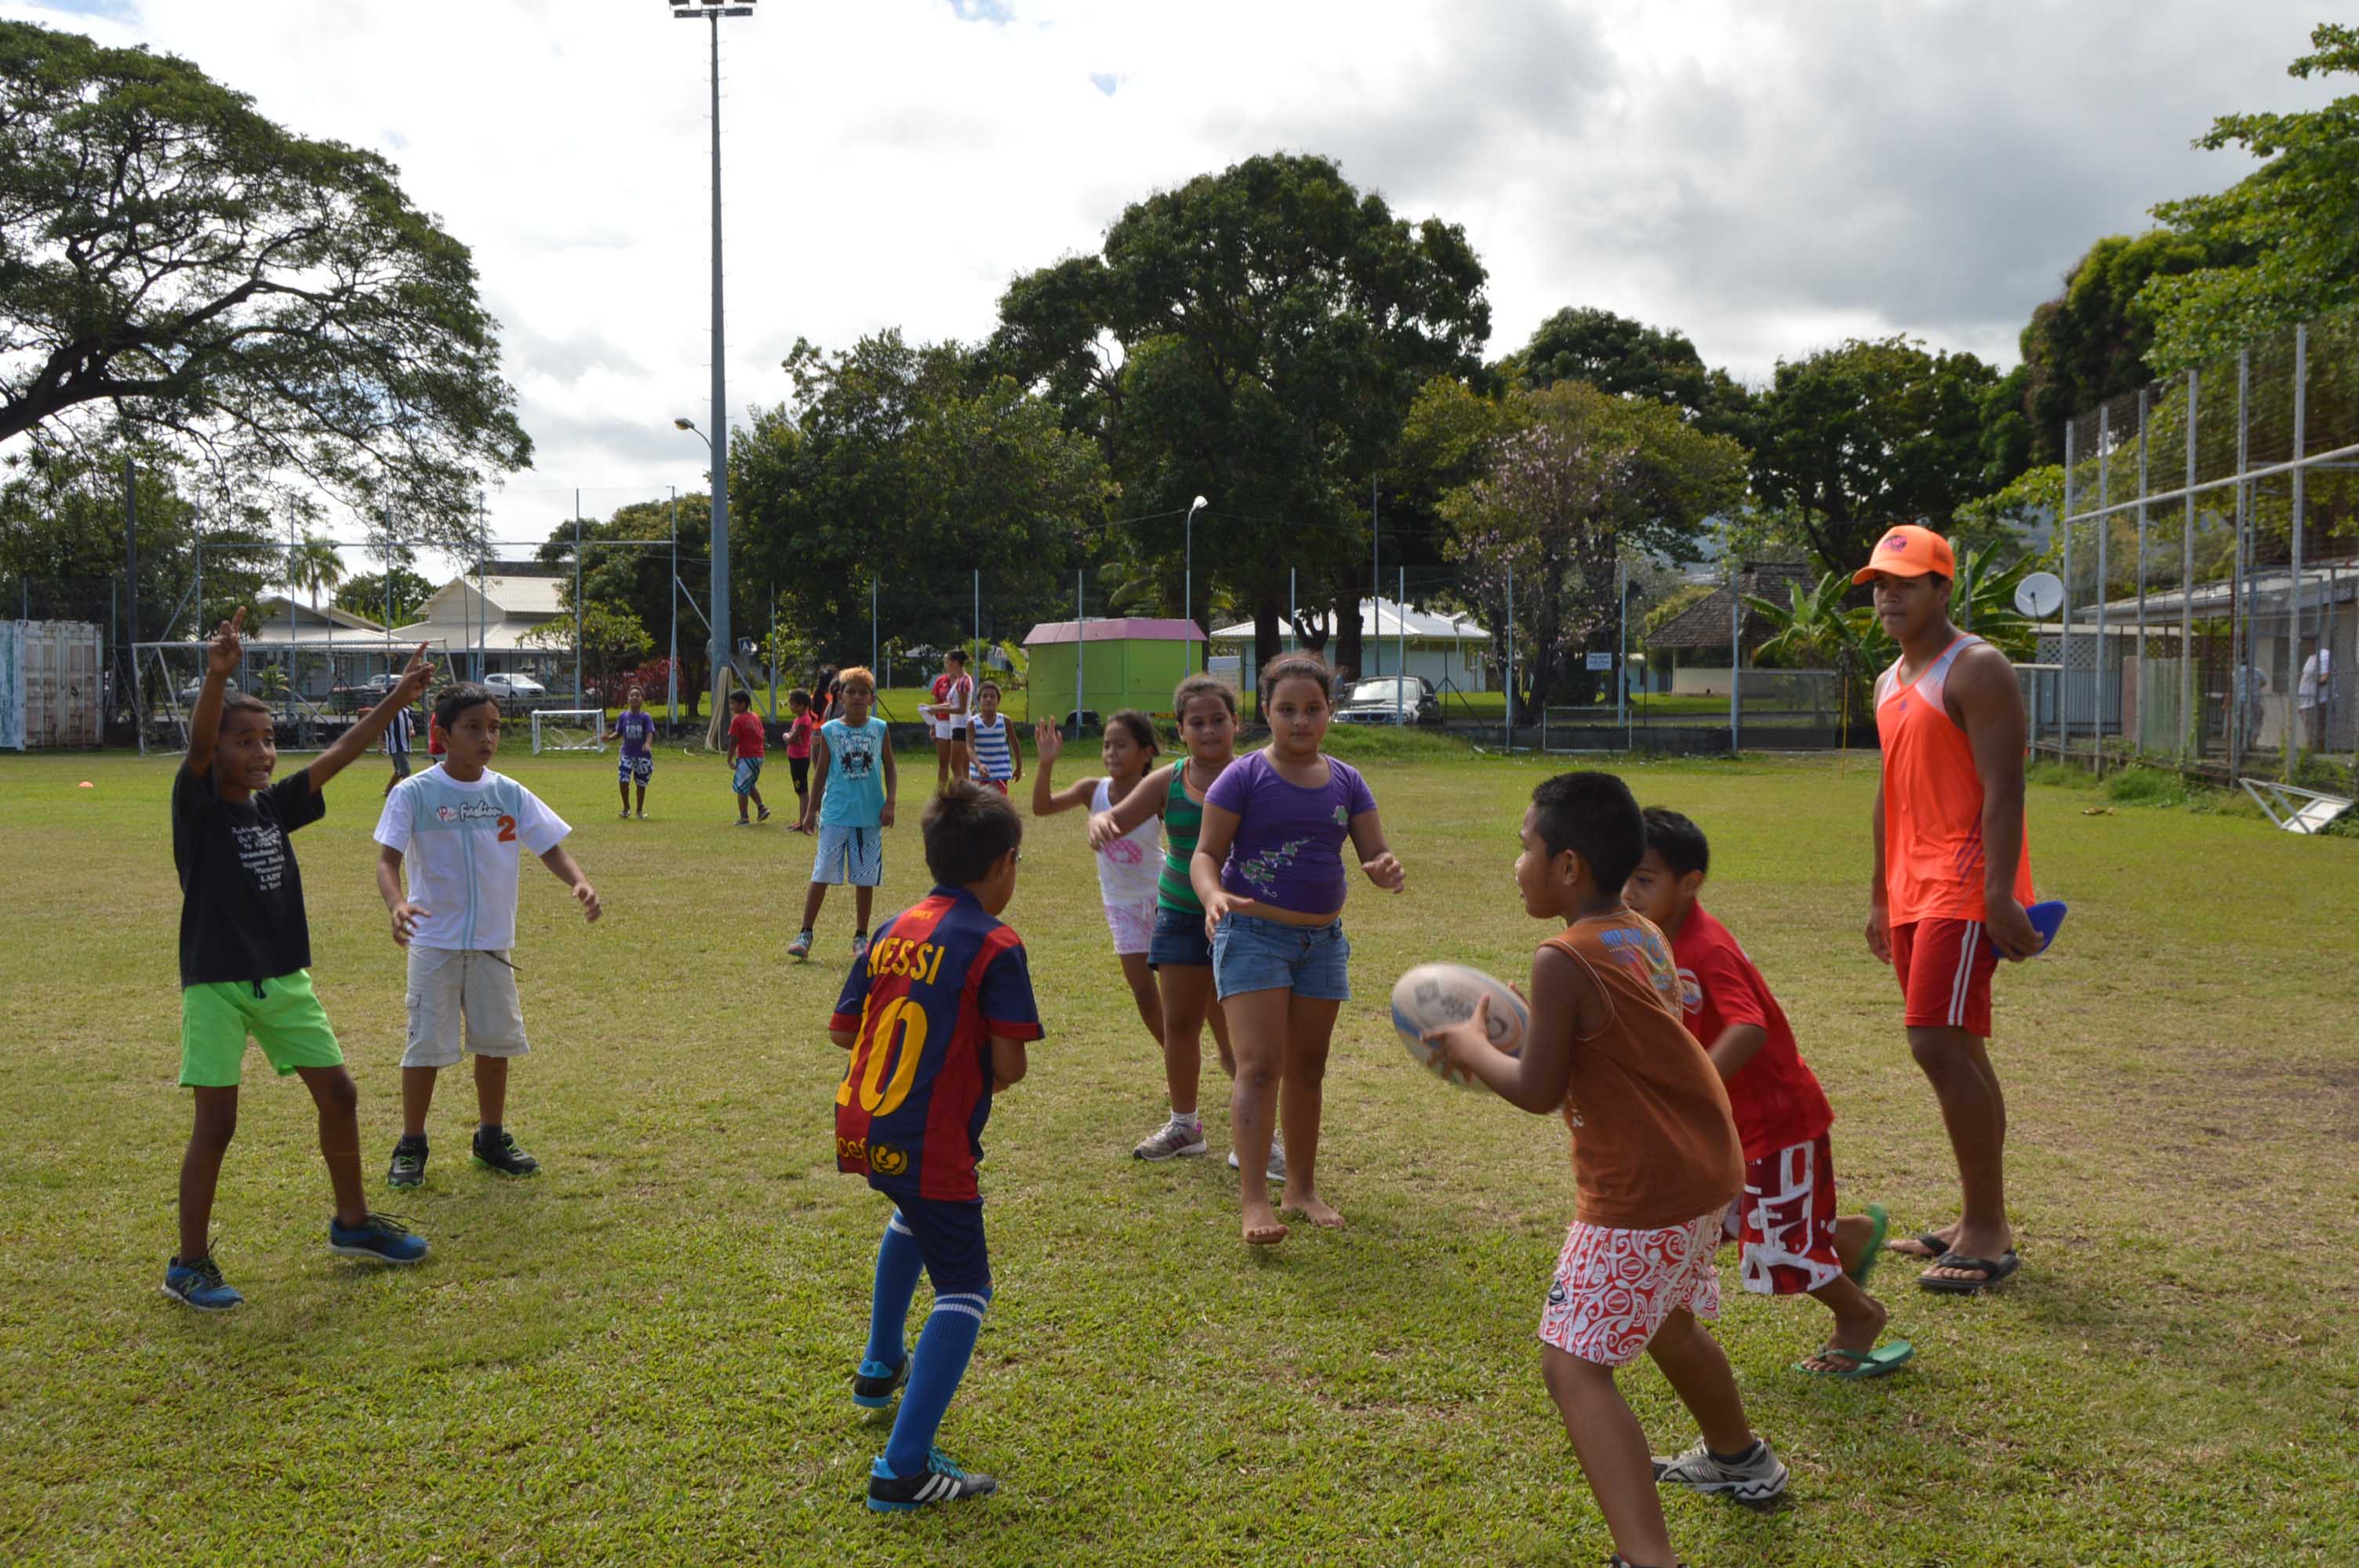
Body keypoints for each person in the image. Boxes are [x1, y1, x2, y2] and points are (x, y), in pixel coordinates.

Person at [1425, 771, 1786, 1568]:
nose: (1515, 861)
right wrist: (1530, 1028)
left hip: (1641, 1189)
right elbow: (1614, 1042)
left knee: (1572, 1364)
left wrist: (1471, 1046)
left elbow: (1537, 1090)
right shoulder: (1636, 928)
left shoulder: (1561, 955)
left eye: (1524, 846)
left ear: (1567, 866)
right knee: (1664, 1320)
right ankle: (1740, 1459)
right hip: (1699, 1167)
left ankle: (1645, 1555)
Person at [164, 608, 433, 1312]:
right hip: (217, 984)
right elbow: (196, 746)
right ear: (216, 753)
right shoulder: (197, 806)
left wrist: (397, 701)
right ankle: (188, 1264)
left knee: (339, 1094)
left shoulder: (270, 808)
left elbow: (340, 752)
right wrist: (217, 679)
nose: (262, 753)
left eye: (268, 740)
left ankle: (353, 1224)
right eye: (244, 741)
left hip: (282, 978)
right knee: (216, 1124)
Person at [1626, 807, 1910, 1380]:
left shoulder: (1707, 948)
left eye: (1645, 880)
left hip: (1775, 1122)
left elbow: (1749, 1027)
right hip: (1731, 1123)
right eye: (1624, 877)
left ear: (1689, 884)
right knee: (1738, 1222)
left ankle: (1860, 1317)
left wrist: (1692, 1084)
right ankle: (1846, 1239)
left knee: (1777, 1250)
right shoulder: (1653, 942)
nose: (1630, 892)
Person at [834, 782, 1041, 1513]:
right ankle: (902, 1470)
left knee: (908, 1220)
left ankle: (879, 1364)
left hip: (867, 1126)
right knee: (965, 1290)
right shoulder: (995, 942)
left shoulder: (893, 925)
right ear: (1005, 864)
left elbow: (843, 1028)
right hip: (932, 1138)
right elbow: (1010, 1067)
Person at [1859, 524, 2041, 1295]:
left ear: (1942, 587)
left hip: (1963, 885)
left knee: (1934, 1041)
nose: (1887, 594)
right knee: (1957, 1045)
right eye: (1878, 582)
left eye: (1904, 581)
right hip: (1909, 886)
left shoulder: (1976, 667)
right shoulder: (1887, 679)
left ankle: (1990, 1229)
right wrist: (1877, 892)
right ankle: (1973, 1217)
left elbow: (2005, 788)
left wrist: (1998, 892)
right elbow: (1888, 792)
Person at [1193, 652, 1403, 1245]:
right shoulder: (1244, 777)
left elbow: (1372, 853)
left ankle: (1301, 1187)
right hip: (1253, 934)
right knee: (1260, 1069)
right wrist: (1212, 896)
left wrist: (1384, 868)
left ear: (1330, 711)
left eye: (1313, 709)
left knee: (1308, 1071)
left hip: (1323, 942)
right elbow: (1206, 854)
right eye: (1287, 710)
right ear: (1267, 713)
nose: (1301, 721)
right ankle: (1255, 1199)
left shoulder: (1347, 779)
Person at [375, 682, 602, 1189]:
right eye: (473, 728)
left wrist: (580, 881)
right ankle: (412, 1142)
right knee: (426, 1046)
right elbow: (387, 860)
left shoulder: (507, 793)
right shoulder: (415, 793)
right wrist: (397, 904)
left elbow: (548, 846)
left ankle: (491, 1136)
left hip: (492, 943)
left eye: (494, 728)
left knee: (496, 1043)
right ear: (442, 734)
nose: (487, 738)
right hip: (434, 943)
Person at [1089, 676, 1245, 1169]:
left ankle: (1259, 1133)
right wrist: (1100, 823)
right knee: (1179, 1024)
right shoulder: (1170, 781)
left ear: (1235, 723)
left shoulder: (1254, 775)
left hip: (1240, 916)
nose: (1209, 730)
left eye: (1218, 719)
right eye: (1196, 722)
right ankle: (1185, 1126)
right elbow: (1116, 816)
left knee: (1243, 1032)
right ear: (1180, 731)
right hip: (1179, 912)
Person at [1034, 710, 1163, 1067]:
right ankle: (1177, 1059)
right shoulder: (1093, 791)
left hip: (1163, 901)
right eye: (1107, 745)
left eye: (1121, 745)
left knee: (1187, 992)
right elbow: (1042, 808)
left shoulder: (1157, 792)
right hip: (1121, 906)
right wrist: (1046, 764)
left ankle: (1209, 1052)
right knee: (1143, 995)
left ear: (1146, 752)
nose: (1111, 753)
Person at [792, 666, 896, 961]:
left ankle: (861, 937)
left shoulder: (879, 728)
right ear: (840, 696)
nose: (858, 697)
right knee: (822, 872)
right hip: (836, 813)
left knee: (864, 879)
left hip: (868, 815)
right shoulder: (830, 730)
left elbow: (889, 766)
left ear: (872, 698)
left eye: (864, 693)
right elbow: (821, 772)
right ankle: (805, 933)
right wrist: (810, 812)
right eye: (851, 692)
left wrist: (891, 802)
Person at [921, 648, 976, 791]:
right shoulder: (959, 680)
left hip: (962, 726)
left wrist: (938, 709)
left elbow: (962, 709)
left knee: (957, 767)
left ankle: (963, 797)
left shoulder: (964, 681)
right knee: (956, 766)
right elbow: (952, 704)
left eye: (947, 661)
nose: (946, 665)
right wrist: (933, 707)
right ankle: (962, 795)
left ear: (955, 663)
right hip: (957, 727)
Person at [603, 684, 657, 819]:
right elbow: (618, 732)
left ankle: (639, 810)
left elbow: (650, 732)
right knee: (623, 780)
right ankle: (626, 807)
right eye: (632, 695)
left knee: (641, 784)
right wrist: (609, 738)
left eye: (637, 695)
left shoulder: (646, 717)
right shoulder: (623, 716)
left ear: (642, 699)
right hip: (627, 754)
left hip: (642, 756)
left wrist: (647, 743)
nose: (634, 697)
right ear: (628, 699)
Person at [965, 679, 1020, 794]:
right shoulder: (972, 723)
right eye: (985, 696)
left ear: (998, 701)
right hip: (978, 774)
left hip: (1000, 774)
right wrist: (979, 766)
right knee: (978, 806)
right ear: (979, 701)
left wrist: (1019, 766)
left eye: (992, 696)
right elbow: (970, 748)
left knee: (998, 808)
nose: (988, 699)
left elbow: (1015, 743)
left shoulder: (1005, 721)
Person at [725, 688, 770, 826]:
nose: (732, 707)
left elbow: (733, 741)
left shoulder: (737, 720)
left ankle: (744, 817)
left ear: (743, 703)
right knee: (749, 784)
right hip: (759, 757)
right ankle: (762, 808)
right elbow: (761, 735)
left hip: (746, 757)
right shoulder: (755, 717)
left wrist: (729, 758)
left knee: (741, 787)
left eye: (734, 703)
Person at [785, 688, 819, 830]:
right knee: (800, 791)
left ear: (804, 705)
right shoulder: (798, 719)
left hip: (799, 758)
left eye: (794, 704)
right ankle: (803, 819)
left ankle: (805, 820)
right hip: (795, 758)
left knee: (802, 791)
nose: (791, 707)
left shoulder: (804, 721)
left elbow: (791, 738)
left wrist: (786, 735)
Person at [2298, 644, 2332, 753]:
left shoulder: (2324, 655)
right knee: (2310, 730)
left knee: (2317, 731)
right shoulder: (2311, 658)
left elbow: (2325, 676)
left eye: (2304, 643)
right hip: (2306, 701)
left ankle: (2317, 755)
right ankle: (2312, 754)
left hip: (2317, 701)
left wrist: (2317, 685)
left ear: (2311, 642)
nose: (2302, 646)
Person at [383, 699, 416, 797]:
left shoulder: (406, 711)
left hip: (406, 745)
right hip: (396, 746)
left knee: (399, 771)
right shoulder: (389, 711)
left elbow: (410, 725)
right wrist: (380, 744)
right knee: (406, 770)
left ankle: (387, 792)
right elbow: (380, 727)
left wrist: (412, 731)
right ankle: (406, 793)